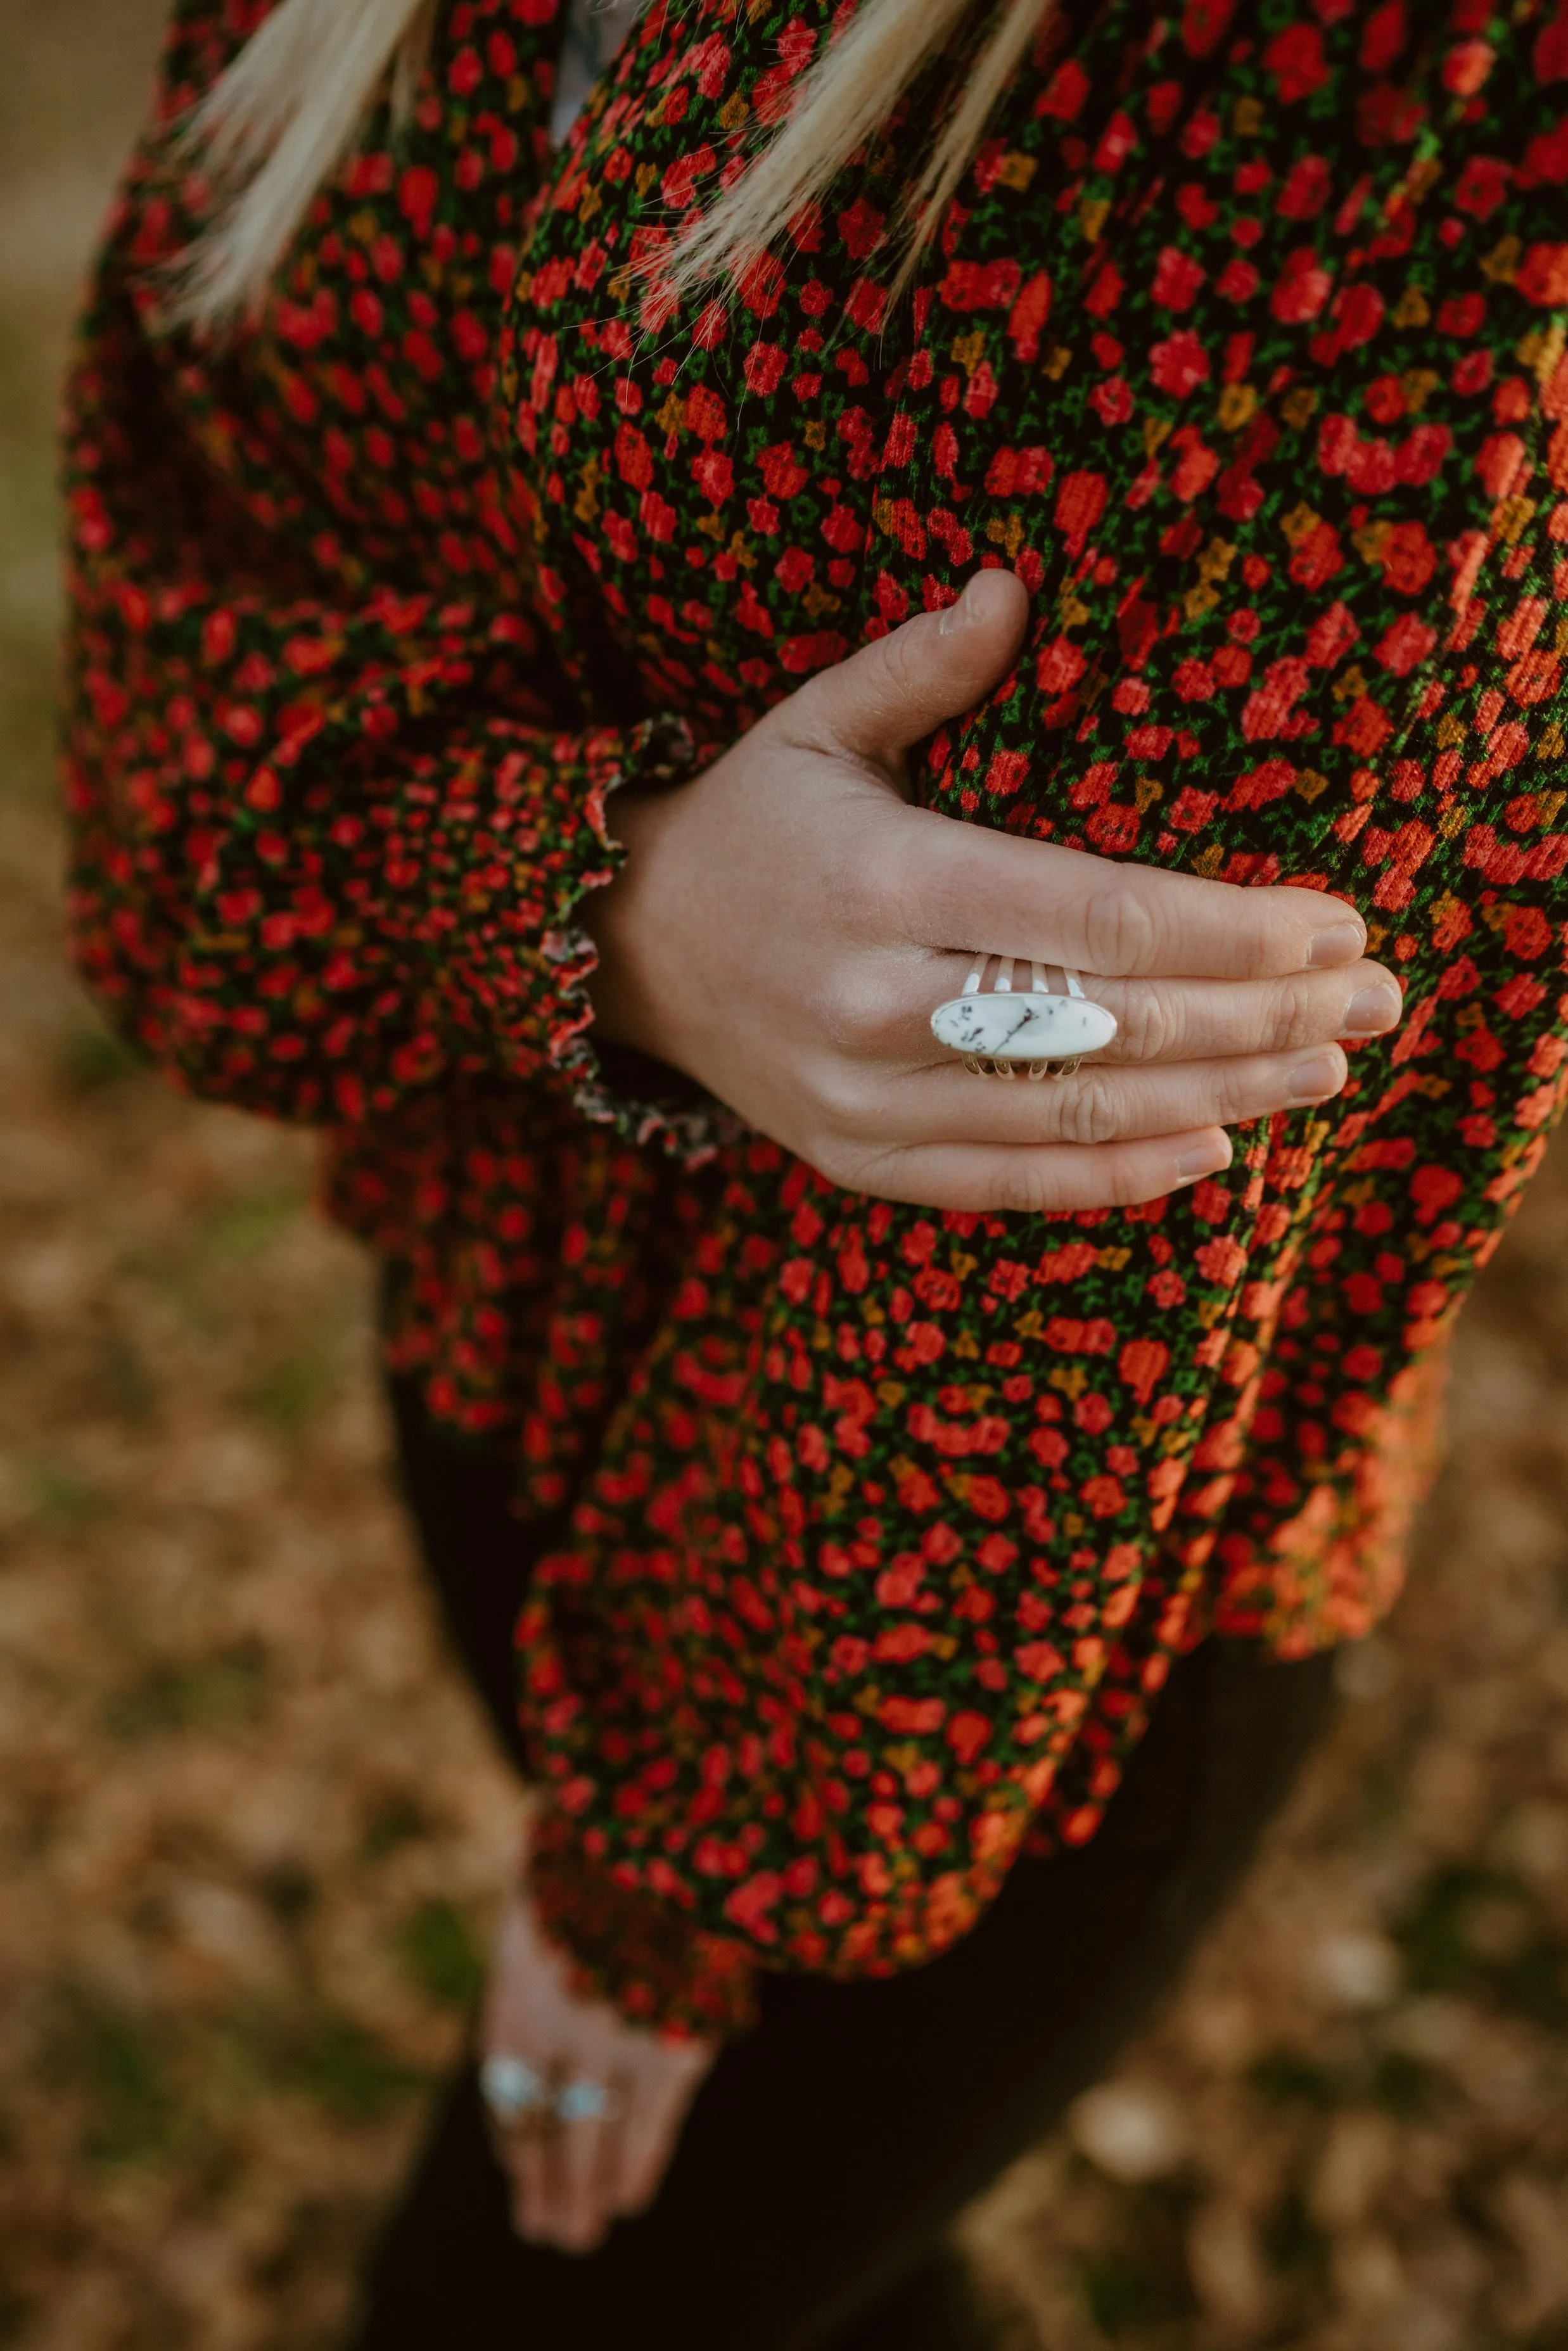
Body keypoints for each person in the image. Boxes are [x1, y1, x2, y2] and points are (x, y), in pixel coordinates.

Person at [60, 0, 1568, 2337]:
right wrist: (615, 904)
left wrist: (676, 1889)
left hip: (985, 1675)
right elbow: (170, 700)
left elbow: (1105, 1216)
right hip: (494, 1339)